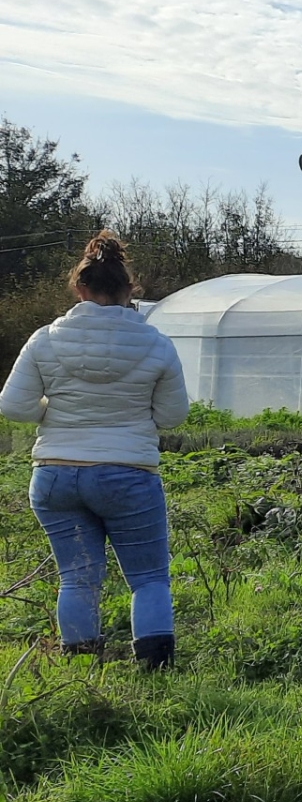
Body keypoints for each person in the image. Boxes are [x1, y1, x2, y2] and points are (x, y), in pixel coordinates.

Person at [0, 231, 189, 668]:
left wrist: (55, 409)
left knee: (77, 578)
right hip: (128, 474)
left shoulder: (44, 339)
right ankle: (156, 671)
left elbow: (14, 405)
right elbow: (172, 415)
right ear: (129, 291)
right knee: (148, 579)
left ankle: (84, 671)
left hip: (56, 475)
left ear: (80, 290)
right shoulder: (157, 344)